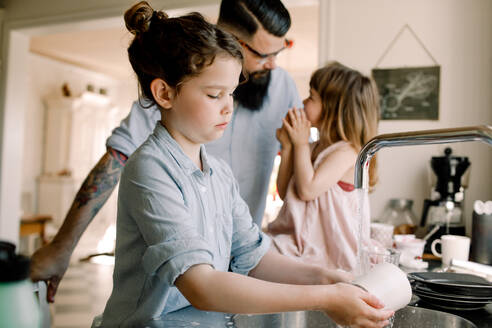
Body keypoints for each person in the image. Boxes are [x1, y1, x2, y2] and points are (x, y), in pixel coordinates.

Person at [94, 3, 393, 327]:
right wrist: (326, 298)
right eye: (214, 95)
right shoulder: (149, 170)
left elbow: (255, 257)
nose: (228, 108)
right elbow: (202, 287)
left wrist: (326, 277)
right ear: (164, 94)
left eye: (232, 94)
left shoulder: (219, 173)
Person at [30, 0, 301, 303]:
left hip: (236, 257)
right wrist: (62, 246)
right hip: (175, 279)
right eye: (262, 54)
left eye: (280, 51)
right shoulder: (177, 82)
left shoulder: (281, 89)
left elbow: (296, 165)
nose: (274, 64)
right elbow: (117, 158)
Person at [267, 62, 380, 272]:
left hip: (332, 253)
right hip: (302, 242)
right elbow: (286, 193)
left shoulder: (348, 152)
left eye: (311, 97)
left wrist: (300, 143)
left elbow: (308, 190)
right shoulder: (311, 148)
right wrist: (289, 146)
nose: (303, 101)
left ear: (333, 108)